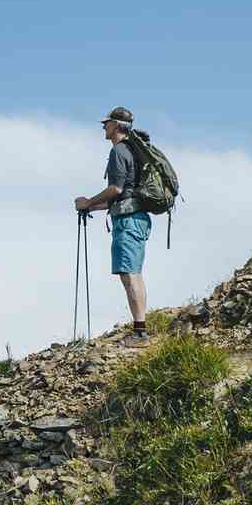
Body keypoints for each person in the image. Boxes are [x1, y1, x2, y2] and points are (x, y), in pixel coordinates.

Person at [74, 106, 152, 345]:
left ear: (117, 126)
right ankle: (140, 328)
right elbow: (124, 194)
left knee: (130, 275)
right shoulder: (134, 151)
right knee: (134, 274)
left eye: (106, 123)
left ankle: (140, 333)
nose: (104, 127)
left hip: (128, 221)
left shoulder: (119, 151)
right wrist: (93, 207)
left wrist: (88, 201)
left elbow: (116, 189)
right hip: (137, 218)